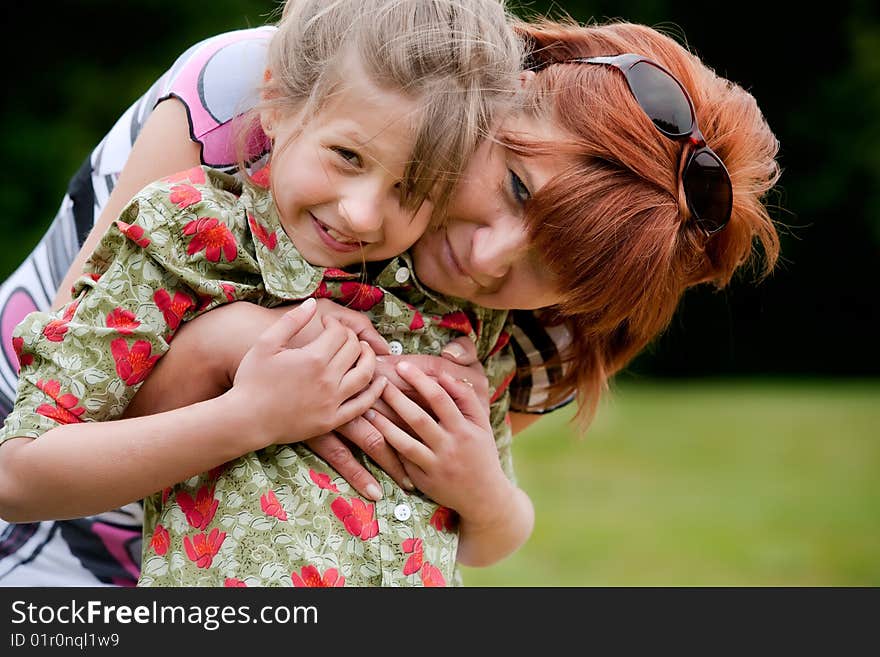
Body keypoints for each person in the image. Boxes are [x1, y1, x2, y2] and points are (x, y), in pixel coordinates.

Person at [0, 14, 781, 586]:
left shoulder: (530, 327)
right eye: (514, 186)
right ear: (509, 95)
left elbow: (439, 506)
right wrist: (225, 344)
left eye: (554, 264)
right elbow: (54, 430)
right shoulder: (295, 89)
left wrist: (478, 487)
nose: (485, 257)